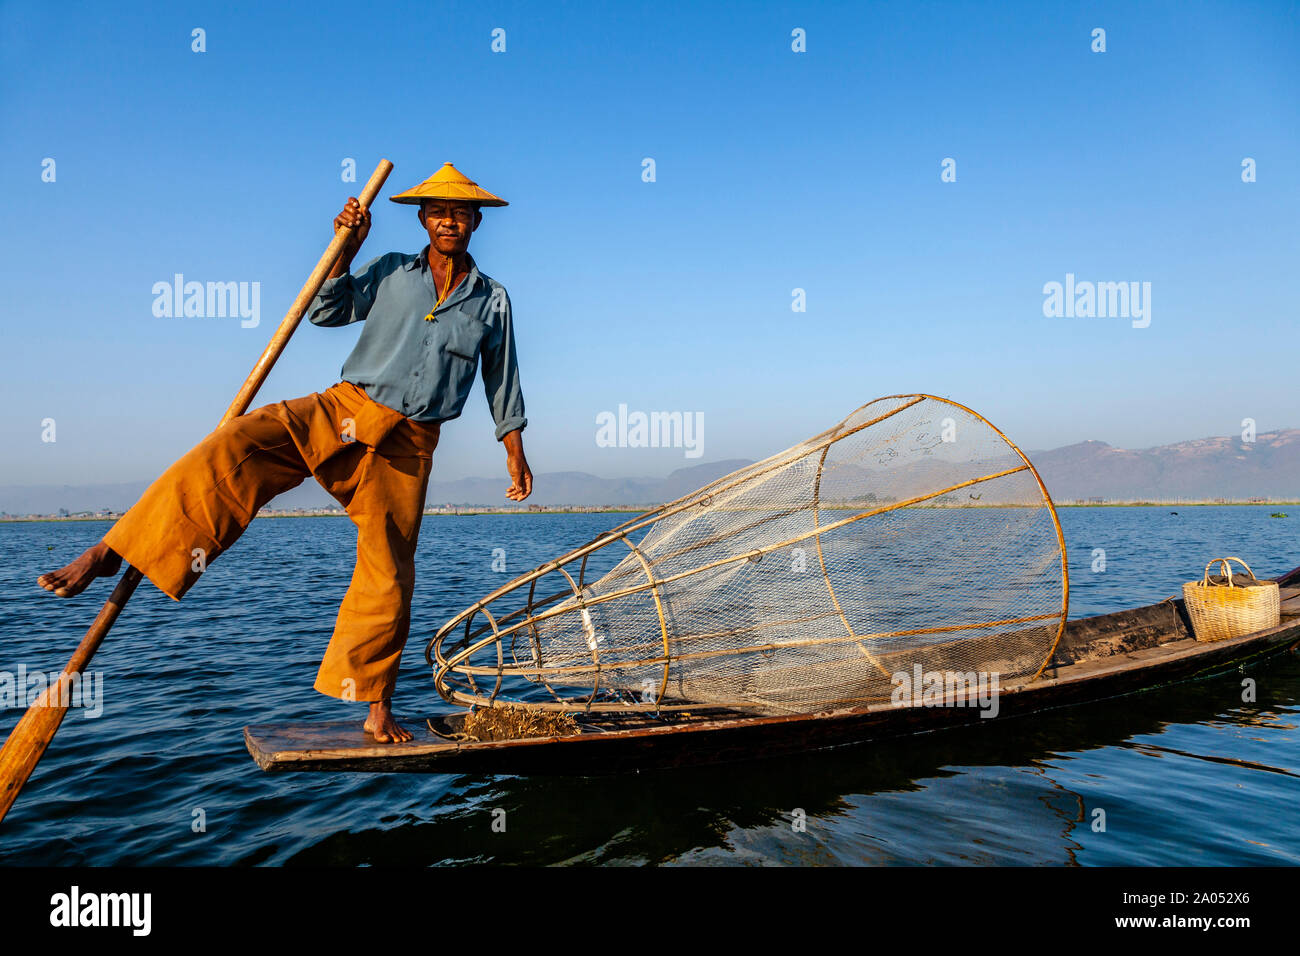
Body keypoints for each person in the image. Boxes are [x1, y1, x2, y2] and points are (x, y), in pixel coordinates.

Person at [36, 162, 532, 742]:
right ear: (423, 219)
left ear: (476, 222)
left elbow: (503, 379)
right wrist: (347, 250)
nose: (450, 220)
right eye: (439, 211)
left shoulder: (491, 300)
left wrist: (514, 449)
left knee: (389, 575)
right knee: (237, 443)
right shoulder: (394, 272)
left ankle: (374, 704)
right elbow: (326, 310)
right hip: (343, 410)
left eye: (461, 212)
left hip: (409, 445)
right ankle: (114, 546)